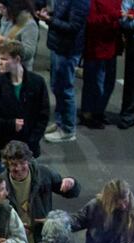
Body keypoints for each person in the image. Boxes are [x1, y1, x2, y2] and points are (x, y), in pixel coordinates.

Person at [0, 140, 80, 243]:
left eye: (22, 163)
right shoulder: (1, 184)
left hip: (41, 234)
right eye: (14, 164)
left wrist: (71, 183)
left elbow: (70, 192)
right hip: (16, 238)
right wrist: (12, 228)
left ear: (28, 161)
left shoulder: (43, 174)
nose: (19, 168)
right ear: (7, 165)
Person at [0, 40, 51, 161]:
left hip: (29, 148)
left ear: (17, 59)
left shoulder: (37, 82)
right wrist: (10, 124)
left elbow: (43, 115)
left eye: (4, 59)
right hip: (2, 147)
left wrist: (32, 140)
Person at [41, 0, 91, 142]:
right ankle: (59, 122)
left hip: (67, 50)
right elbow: (61, 14)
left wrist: (50, 20)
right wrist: (49, 14)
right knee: (57, 87)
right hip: (58, 46)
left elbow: (74, 26)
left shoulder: (80, 2)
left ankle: (68, 129)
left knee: (65, 89)